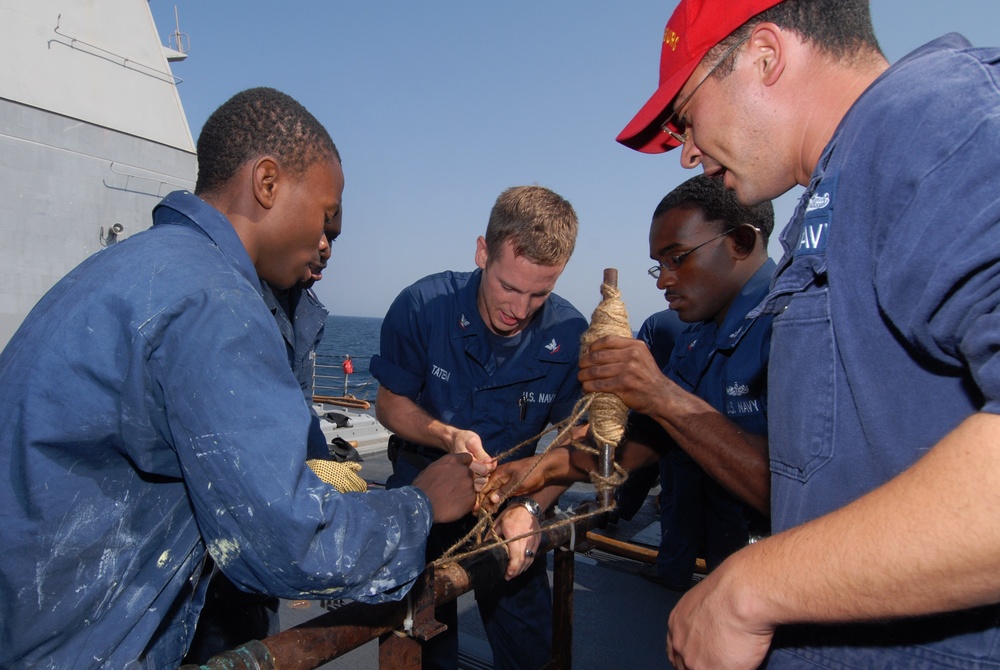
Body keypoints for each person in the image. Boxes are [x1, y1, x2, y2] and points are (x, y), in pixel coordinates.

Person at [0, 87, 481, 669]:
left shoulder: (138, 266)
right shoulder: (216, 301)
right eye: (326, 217)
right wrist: (420, 506)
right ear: (268, 182)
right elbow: (282, 542)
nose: (327, 243)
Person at [615, 0, 1000, 667]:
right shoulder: (843, 189)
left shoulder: (942, 130)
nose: (686, 152)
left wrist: (754, 586)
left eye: (687, 116)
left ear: (764, 57)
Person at [486, 175, 774, 584]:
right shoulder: (696, 338)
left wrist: (658, 392)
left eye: (679, 258)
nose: (663, 280)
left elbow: (796, 488)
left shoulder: (796, 326)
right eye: (659, 264)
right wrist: (538, 468)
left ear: (741, 243)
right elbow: (648, 440)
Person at [370, 185, 586, 670]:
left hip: (511, 504)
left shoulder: (571, 334)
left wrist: (531, 507)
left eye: (540, 293)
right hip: (423, 485)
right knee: (420, 646)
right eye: (509, 287)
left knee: (532, 650)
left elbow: (577, 439)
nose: (521, 309)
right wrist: (447, 436)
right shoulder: (422, 306)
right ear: (482, 251)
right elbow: (389, 402)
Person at [184, 224, 341, 663]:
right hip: (212, 547)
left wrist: (325, 481)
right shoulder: (235, 301)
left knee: (259, 640)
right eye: (320, 228)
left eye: (335, 236)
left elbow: (299, 414)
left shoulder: (302, 309)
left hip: (259, 558)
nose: (327, 247)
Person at [611, 308, 685, 524]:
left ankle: (619, 509)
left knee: (640, 467)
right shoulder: (707, 324)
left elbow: (632, 367)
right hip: (691, 413)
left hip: (650, 410)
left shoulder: (655, 321)